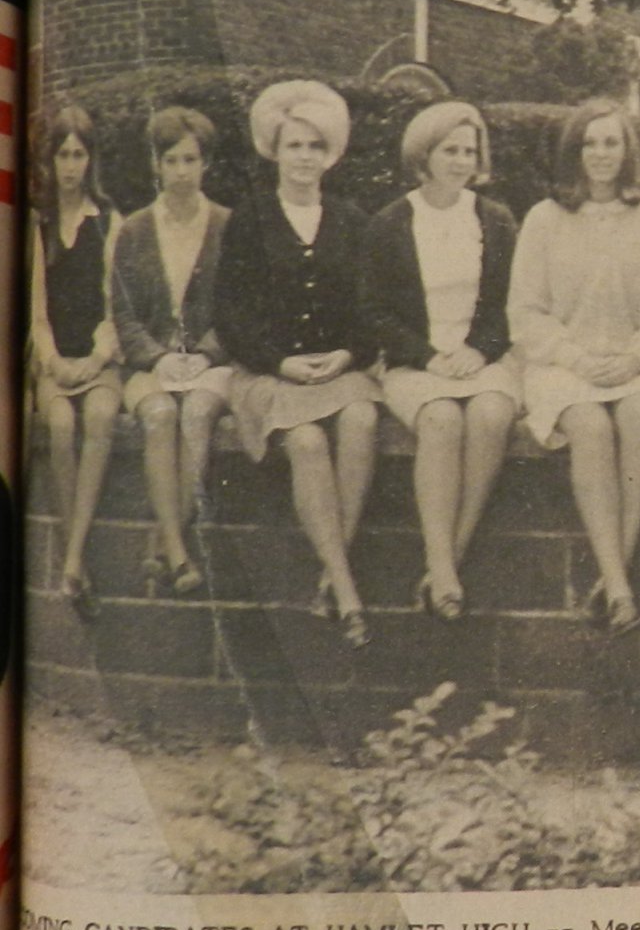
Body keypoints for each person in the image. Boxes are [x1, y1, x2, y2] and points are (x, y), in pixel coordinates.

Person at [217, 81, 383, 648]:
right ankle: (348, 591)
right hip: (269, 373)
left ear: (330, 153)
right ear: (276, 151)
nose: (305, 157)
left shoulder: (352, 219)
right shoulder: (251, 218)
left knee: (362, 419)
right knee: (308, 444)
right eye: (294, 146)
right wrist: (280, 362)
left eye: (315, 146)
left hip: (338, 369)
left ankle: (329, 577)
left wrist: (348, 354)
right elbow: (229, 314)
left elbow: (370, 308)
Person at [509, 99, 640, 637]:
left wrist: (634, 357)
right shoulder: (545, 218)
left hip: (632, 359)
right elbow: (525, 311)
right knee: (591, 427)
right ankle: (621, 586)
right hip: (564, 363)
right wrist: (575, 357)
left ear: (628, 151)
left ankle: (612, 576)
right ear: (574, 152)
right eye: (591, 143)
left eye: (612, 142)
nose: (601, 154)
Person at [362, 102, 521, 623]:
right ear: (423, 155)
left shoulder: (494, 220)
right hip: (415, 364)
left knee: (493, 414)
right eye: (449, 150)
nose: (460, 160)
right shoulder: (389, 223)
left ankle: (448, 560)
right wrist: (428, 358)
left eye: (469, 151)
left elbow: (509, 304)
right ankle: (440, 561)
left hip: (482, 357)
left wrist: (478, 350)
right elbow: (375, 313)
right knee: (442, 419)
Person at [110, 107, 235, 600]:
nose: (182, 171)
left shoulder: (228, 225)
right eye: (172, 160)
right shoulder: (134, 230)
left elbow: (237, 308)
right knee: (160, 416)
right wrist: (157, 357)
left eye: (192, 159)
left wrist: (206, 354)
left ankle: (161, 544)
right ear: (156, 165)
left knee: (199, 411)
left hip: (210, 365)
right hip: (151, 364)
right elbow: (123, 313)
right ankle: (180, 554)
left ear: (206, 165)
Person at [29, 105, 124, 620]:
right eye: (62, 155)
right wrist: (55, 364)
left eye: (79, 155)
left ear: (91, 159)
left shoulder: (109, 221)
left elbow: (114, 309)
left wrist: (96, 360)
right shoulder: (36, 224)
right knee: (61, 423)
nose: (70, 166)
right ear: (49, 161)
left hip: (97, 356)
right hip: (55, 359)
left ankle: (69, 558)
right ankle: (76, 559)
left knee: (103, 415)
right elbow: (37, 314)